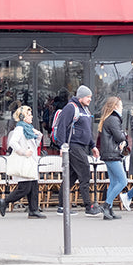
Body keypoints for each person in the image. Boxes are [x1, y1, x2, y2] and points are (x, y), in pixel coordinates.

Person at [53, 85, 102, 217]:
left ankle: (62, 207)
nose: (90, 99)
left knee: (70, 177)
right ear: (80, 97)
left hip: (82, 146)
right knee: (85, 173)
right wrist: (62, 146)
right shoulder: (71, 107)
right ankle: (88, 206)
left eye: (90, 97)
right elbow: (62, 126)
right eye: (88, 97)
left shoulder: (85, 109)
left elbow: (87, 130)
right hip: (73, 146)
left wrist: (93, 145)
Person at [0, 106, 44, 219]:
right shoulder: (20, 129)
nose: (31, 116)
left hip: (31, 161)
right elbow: (13, 142)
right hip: (24, 161)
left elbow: (35, 145)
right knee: (24, 188)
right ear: (23, 117)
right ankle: (5, 201)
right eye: (29, 115)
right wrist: (23, 152)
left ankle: (33, 210)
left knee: (33, 186)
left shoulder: (29, 129)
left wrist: (38, 136)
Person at [96, 96, 127, 220]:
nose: (122, 107)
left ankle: (108, 211)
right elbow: (119, 136)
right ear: (115, 106)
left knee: (114, 182)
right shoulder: (114, 119)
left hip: (108, 153)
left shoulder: (108, 119)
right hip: (112, 154)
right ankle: (107, 204)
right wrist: (124, 136)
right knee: (123, 181)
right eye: (120, 105)